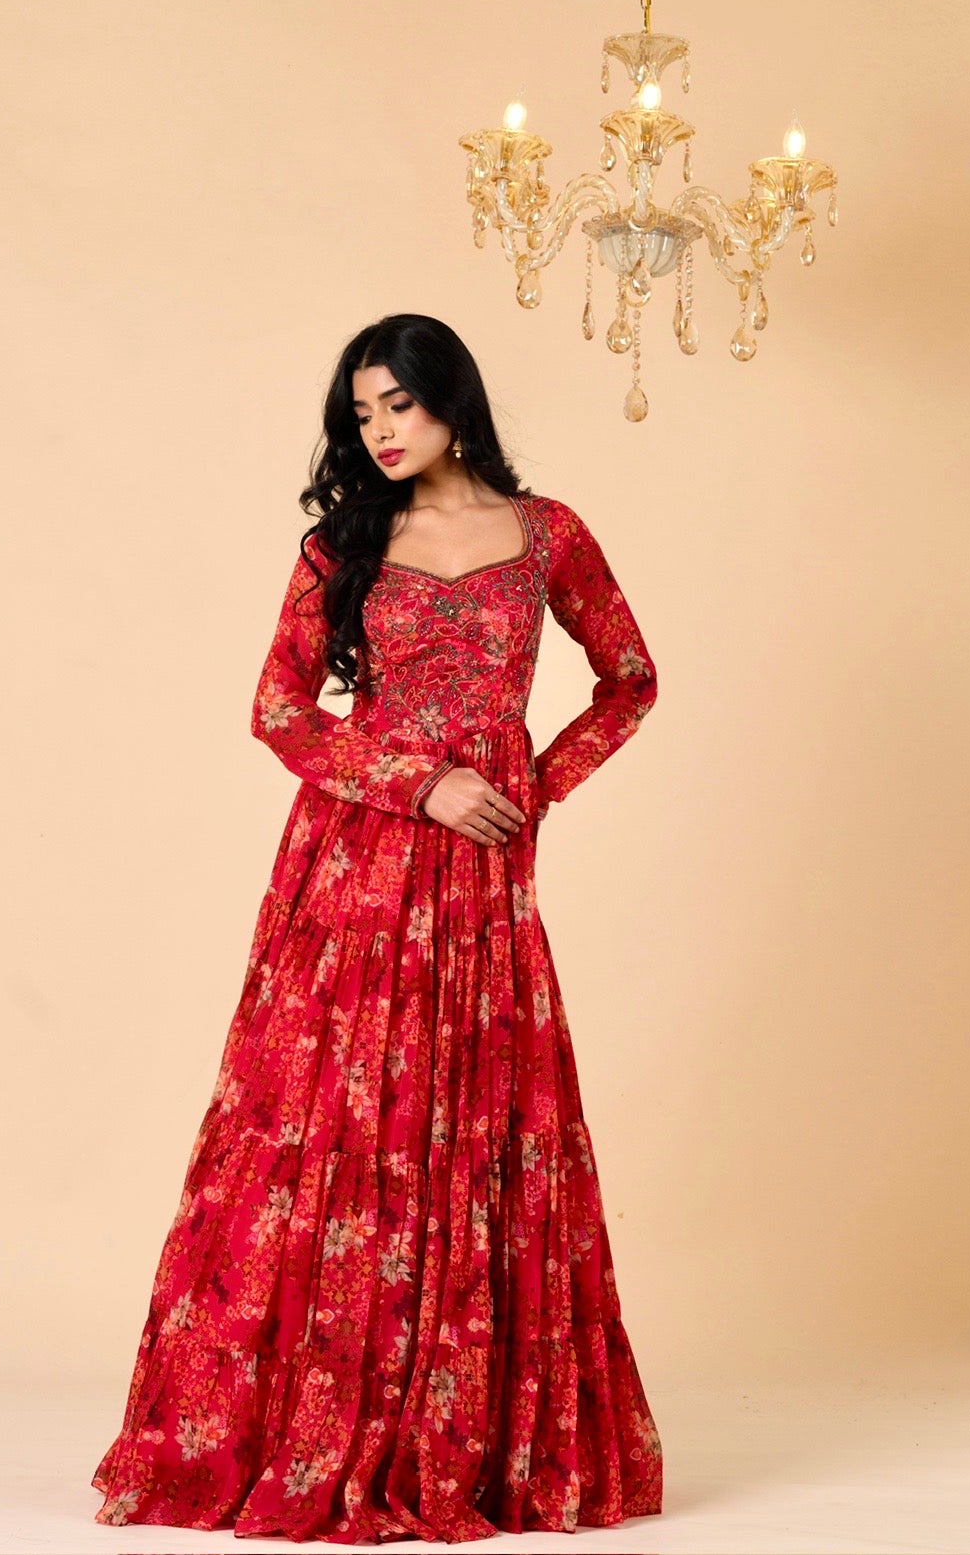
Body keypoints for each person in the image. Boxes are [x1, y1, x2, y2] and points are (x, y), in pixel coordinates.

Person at [91, 313, 664, 1542]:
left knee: (474, 1112)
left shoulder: (547, 534)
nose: (381, 432)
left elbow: (630, 679)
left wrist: (531, 787)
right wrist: (423, 781)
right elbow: (279, 711)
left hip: (481, 890)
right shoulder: (342, 542)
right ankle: (299, 1425)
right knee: (329, 1123)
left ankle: (463, 1435)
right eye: (362, 415)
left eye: (397, 405)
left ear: (453, 399)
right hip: (355, 861)